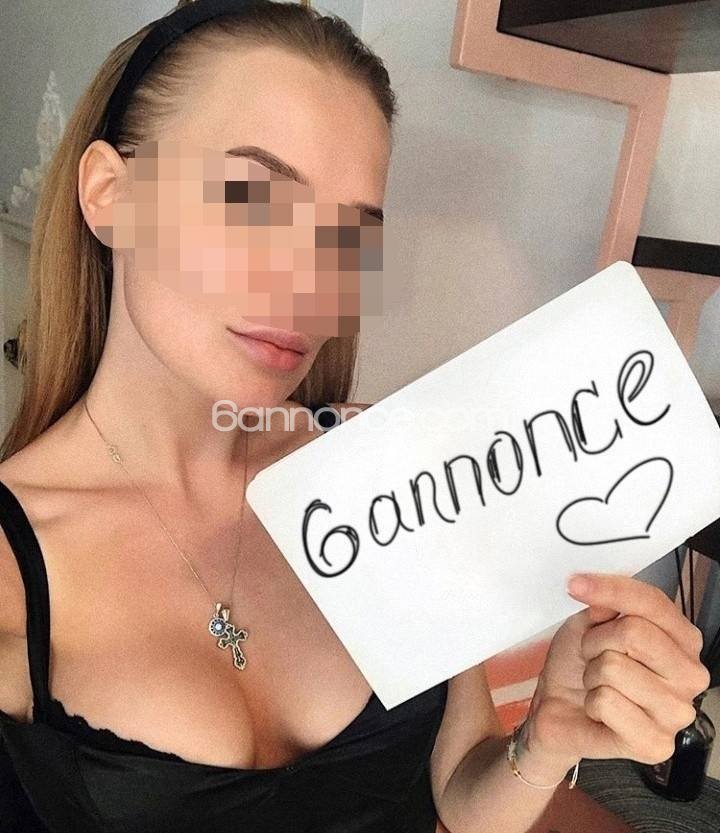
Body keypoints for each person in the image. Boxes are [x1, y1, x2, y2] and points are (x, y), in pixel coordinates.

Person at [0, 1, 709, 832]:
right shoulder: (13, 575)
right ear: (108, 194)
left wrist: (545, 740)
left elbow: (462, 791)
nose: (309, 282)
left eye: (349, 235)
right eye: (252, 198)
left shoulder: (382, 479)